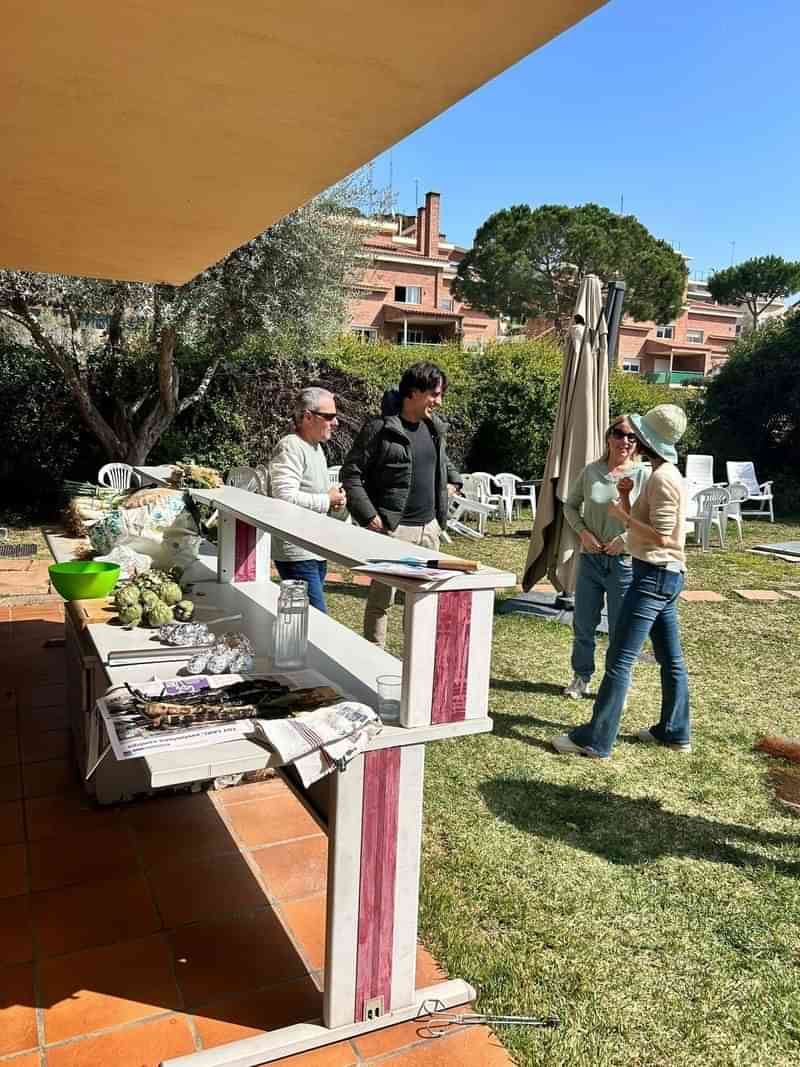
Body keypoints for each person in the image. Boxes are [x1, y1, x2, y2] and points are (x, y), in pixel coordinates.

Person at [552, 404, 691, 759]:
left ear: (646, 439)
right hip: (668, 576)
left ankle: (595, 740)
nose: (630, 438)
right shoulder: (668, 472)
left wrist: (620, 515)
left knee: (619, 659)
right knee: (670, 659)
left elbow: (662, 535)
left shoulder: (660, 478)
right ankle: (675, 732)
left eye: (636, 433)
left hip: (652, 576)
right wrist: (628, 498)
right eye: (623, 433)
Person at [341, 361, 461, 646]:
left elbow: (442, 462)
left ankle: (416, 660)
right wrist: (368, 515)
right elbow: (351, 473)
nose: (439, 401)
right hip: (394, 531)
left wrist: (455, 480)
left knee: (422, 601)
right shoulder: (380, 429)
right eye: (434, 394)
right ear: (414, 393)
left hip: (430, 530)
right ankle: (374, 658)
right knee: (381, 601)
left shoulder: (433, 429)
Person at [562, 415, 650, 699]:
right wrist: (583, 533)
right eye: (619, 433)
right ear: (608, 436)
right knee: (584, 624)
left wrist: (624, 539)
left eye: (631, 437)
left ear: (637, 443)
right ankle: (581, 677)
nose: (625, 441)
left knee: (619, 629)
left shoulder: (643, 475)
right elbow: (571, 507)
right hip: (590, 559)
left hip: (624, 563)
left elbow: (651, 520)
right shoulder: (591, 471)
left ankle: (616, 686)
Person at [268, 387, 346, 613]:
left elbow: (310, 492)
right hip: (296, 552)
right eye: (329, 416)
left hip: (314, 548)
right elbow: (283, 497)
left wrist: (334, 499)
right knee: (315, 618)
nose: (336, 422)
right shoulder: (291, 446)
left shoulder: (315, 447)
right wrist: (326, 499)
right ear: (307, 417)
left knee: (307, 619)